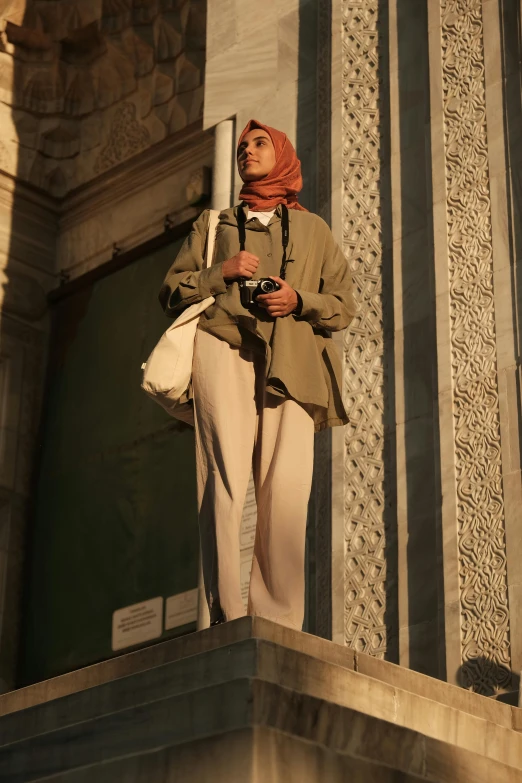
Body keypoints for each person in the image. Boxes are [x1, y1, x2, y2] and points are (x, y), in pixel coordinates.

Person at [159, 119, 356, 630]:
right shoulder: (215, 223)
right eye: (242, 147)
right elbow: (172, 290)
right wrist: (219, 273)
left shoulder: (313, 230)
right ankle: (226, 614)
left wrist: (298, 299)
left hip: (291, 363)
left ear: (282, 155)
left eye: (259, 144)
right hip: (222, 345)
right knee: (223, 478)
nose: (247, 151)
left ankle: (278, 625)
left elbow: (342, 307)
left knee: (285, 489)